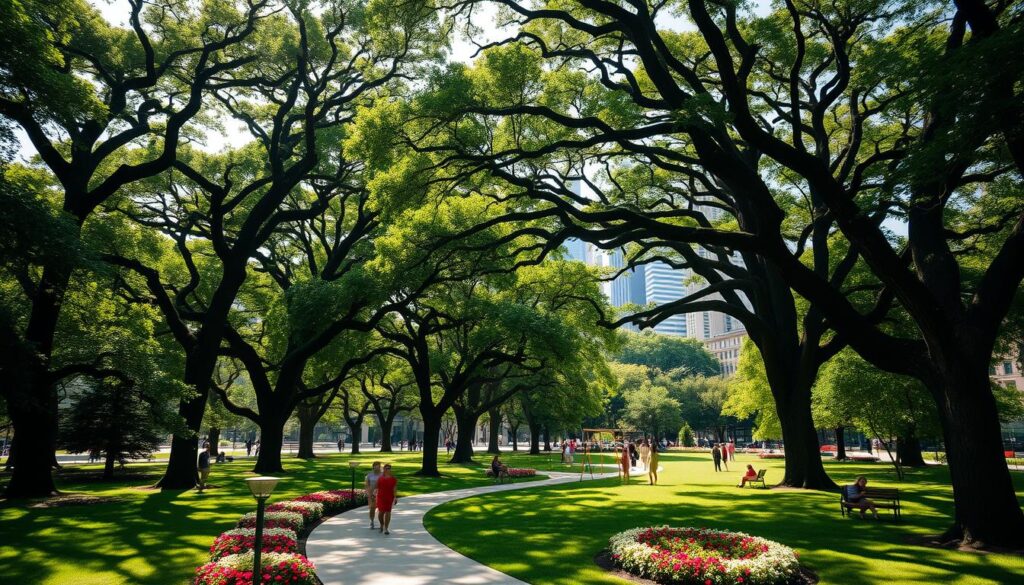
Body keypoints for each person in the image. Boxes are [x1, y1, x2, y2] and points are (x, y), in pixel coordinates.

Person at [375, 464, 398, 535]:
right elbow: (376, 487)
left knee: (388, 512)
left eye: (389, 468)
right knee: (381, 513)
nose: (388, 469)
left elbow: (394, 488)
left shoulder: (393, 479)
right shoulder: (380, 478)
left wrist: (395, 497)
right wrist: (373, 495)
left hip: (389, 497)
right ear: (384, 469)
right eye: (386, 468)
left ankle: (386, 528)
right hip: (380, 497)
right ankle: (382, 524)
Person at [364, 461, 383, 529]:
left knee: (382, 509)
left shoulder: (383, 475)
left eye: (378, 466)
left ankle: (382, 523)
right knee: (372, 508)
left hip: (381, 494)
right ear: (373, 467)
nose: (377, 467)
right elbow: (367, 485)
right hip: (372, 494)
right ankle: (372, 521)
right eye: (375, 466)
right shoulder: (369, 475)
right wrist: (369, 493)